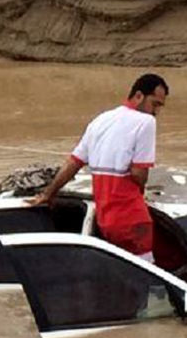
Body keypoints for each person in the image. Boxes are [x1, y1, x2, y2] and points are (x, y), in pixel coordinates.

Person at [29, 74, 168, 261]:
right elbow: (138, 173)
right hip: (132, 218)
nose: (155, 112)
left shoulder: (101, 120)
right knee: (143, 278)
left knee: (120, 272)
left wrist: (48, 194)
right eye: (155, 104)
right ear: (138, 96)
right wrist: (142, 188)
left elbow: (73, 163)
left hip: (105, 220)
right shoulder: (146, 122)